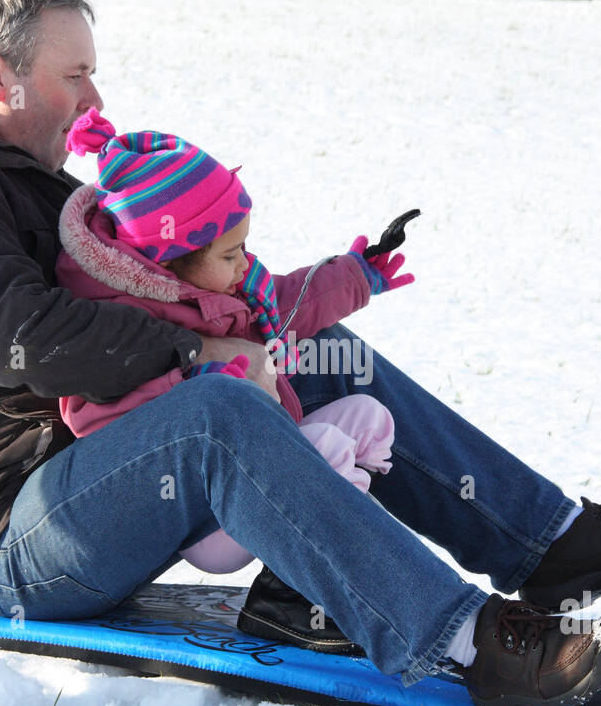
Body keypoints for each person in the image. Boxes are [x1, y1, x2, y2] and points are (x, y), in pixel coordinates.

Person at [0, 0, 601, 706]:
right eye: (75, 76)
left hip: (91, 479)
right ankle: (466, 641)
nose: (95, 99)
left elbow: (164, 293)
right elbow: (21, 343)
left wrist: (264, 313)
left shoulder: (25, 182)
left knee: (315, 349)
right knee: (217, 412)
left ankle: (545, 544)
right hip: (6, 541)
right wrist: (195, 358)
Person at [53, 107, 400, 580]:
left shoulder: (224, 288)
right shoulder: (123, 325)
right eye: (231, 253)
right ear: (172, 256)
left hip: (258, 463)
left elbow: (291, 302)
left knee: (368, 418)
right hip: (205, 513)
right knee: (327, 448)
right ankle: (334, 572)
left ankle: (345, 530)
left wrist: (359, 275)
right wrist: (203, 383)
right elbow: (100, 419)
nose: (245, 264)